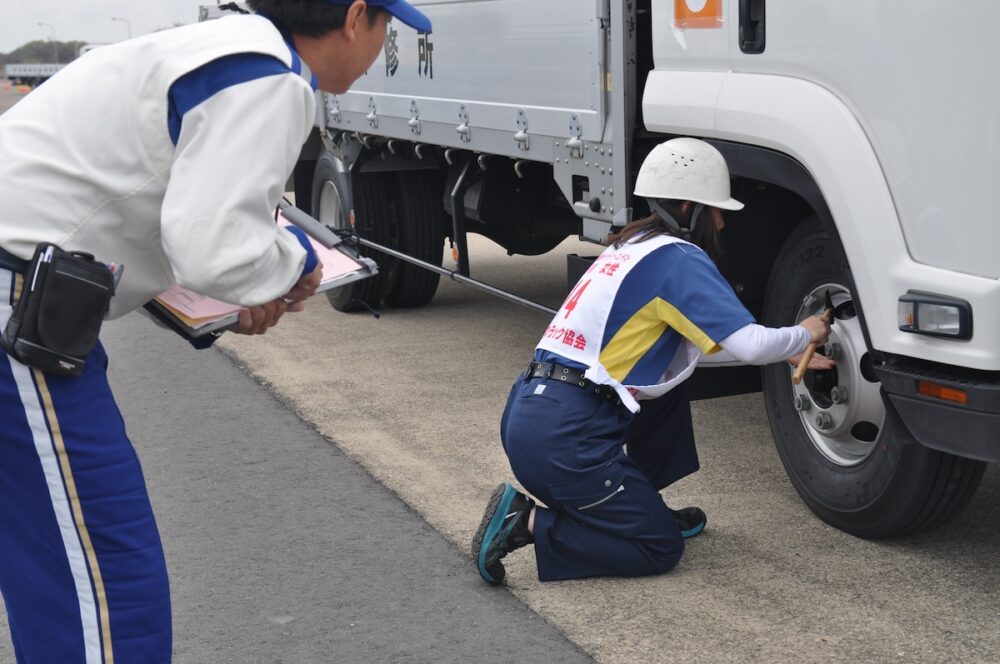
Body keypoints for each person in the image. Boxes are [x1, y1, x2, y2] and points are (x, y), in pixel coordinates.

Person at [0, 1, 431, 662]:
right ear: (353, 19)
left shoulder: (212, 47)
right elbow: (215, 249)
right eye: (386, 27)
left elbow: (165, 222)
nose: (382, 46)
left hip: (34, 292)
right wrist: (295, 267)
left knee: (49, 561)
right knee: (106, 584)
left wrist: (243, 284)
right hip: (20, 313)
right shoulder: (270, 75)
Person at [472, 137, 833, 585]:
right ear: (689, 208)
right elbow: (754, 345)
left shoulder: (630, 247)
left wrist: (786, 352)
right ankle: (524, 522)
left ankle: (636, 505)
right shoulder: (679, 259)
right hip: (567, 441)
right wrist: (809, 331)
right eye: (716, 210)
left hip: (536, 416)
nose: (721, 222)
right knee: (658, 546)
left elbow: (681, 356)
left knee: (668, 389)